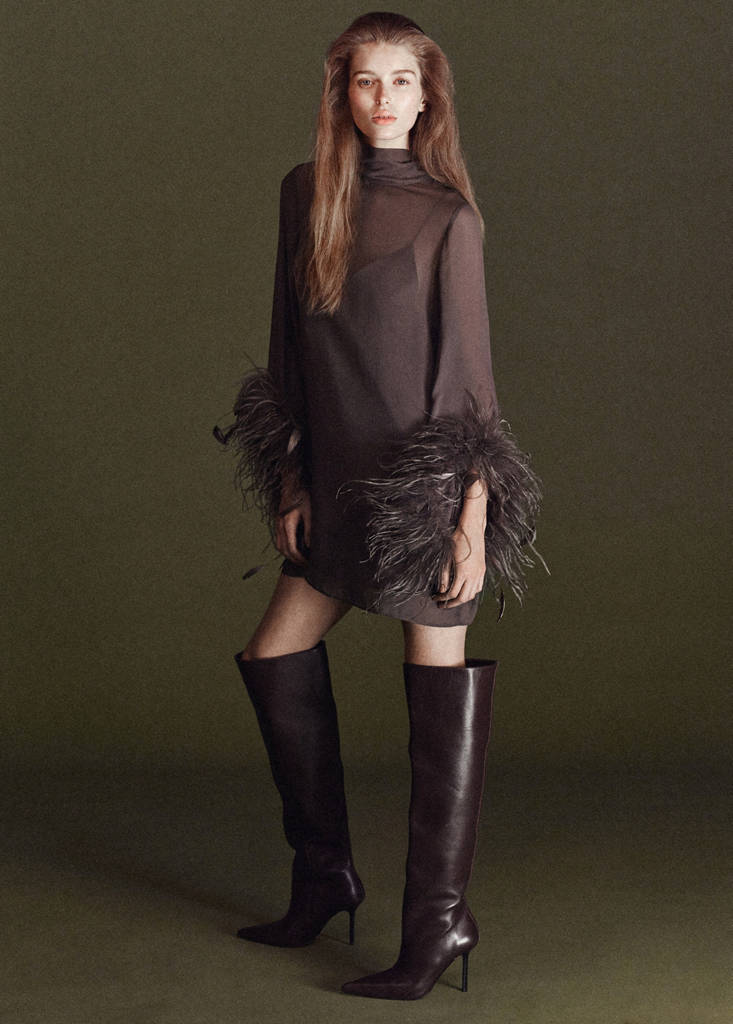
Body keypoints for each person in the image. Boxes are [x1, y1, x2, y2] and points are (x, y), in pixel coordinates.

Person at [215, 11, 545, 1002]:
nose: (384, 99)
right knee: (272, 654)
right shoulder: (303, 194)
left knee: (432, 697)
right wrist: (291, 478)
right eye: (366, 81)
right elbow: (287, 352)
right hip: (336, 482)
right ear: (341, 95)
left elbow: (472, 390)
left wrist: (470, 520)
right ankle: (324, 875)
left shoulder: (448, 218)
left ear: (428, 95)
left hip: (426, 495)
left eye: (403, 80)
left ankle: (437, 921)